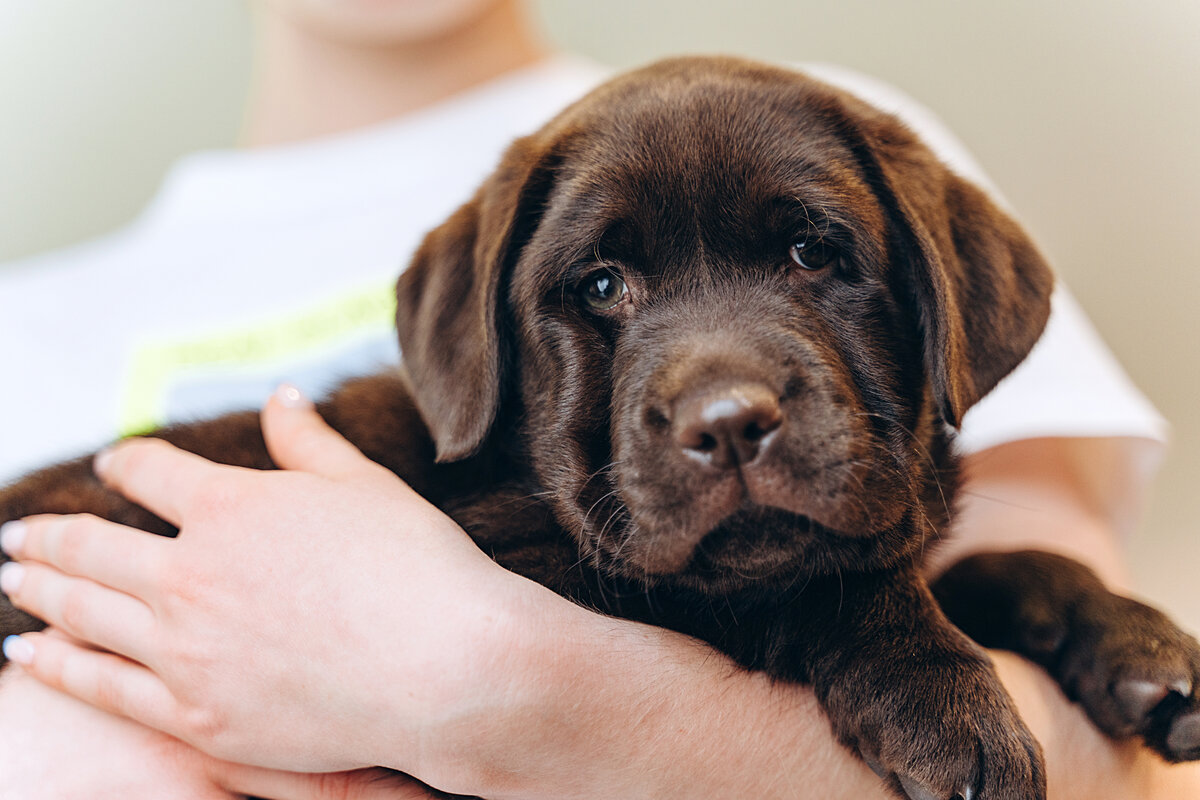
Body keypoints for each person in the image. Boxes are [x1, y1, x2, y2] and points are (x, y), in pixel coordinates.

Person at [0, 1, 1194, 797]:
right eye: (604, 284)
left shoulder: (836, 122)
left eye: (812, 256)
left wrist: (507, 684)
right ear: (483, 364)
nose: (723, 394)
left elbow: (1091, 769)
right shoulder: (32, 329)